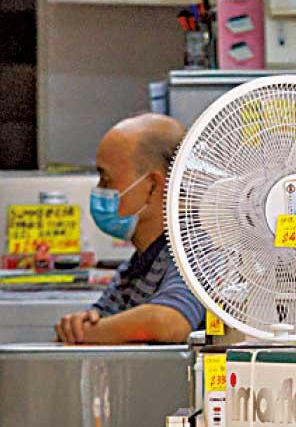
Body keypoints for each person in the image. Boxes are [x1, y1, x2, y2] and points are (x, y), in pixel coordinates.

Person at [56, 113, 204, 345]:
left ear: (153, 186)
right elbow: (100, 320)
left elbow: (169, 322)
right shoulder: (137, 265)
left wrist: (87, 334)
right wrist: (77, 326)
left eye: (106, 180)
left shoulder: (197, 250)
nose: (100, 190)